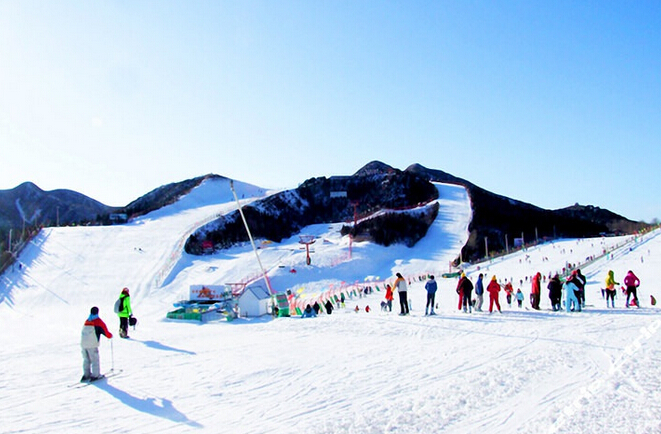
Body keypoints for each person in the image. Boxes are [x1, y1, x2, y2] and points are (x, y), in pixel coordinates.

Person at [80, 306, 113, 382]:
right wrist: (110, 336)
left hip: (83, 343)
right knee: (95, 359)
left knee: (86, 359)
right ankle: (95, 375)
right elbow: (105, 331)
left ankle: (86, 375)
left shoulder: (87, 320)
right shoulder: (98, 321)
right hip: (92, 344)